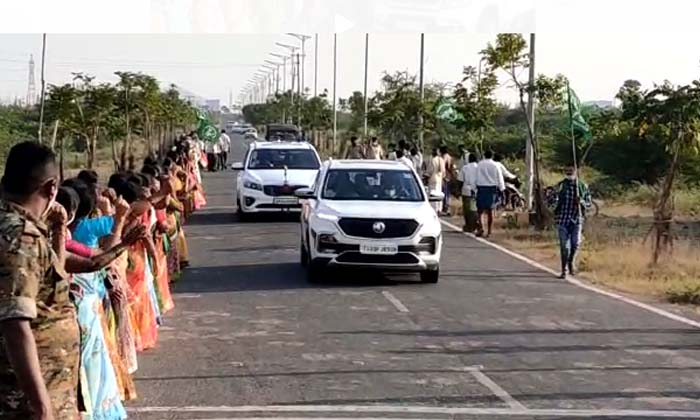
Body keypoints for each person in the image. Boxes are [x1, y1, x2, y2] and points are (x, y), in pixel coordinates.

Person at [0, 142, 80, 420]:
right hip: (26, 399)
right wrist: (42, 406)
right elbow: (15, 324)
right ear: (51, 188)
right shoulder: (20, 237)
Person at [550, 166, 592, 279]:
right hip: (562, 219)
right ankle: (564, 269)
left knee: (575, 244)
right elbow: (550, 202)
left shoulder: (582, 187)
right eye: (567, 171)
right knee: (564, 246)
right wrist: (556, 200)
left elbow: (589, 204)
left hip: (577, 220)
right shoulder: (560, 186)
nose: (569, 173)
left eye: (571, 171)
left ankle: (571, 262)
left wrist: (581, 201)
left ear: (575, 172)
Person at [475, 150, 505, 237]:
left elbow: (476, 176)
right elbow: (500, 177)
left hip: (481, 188)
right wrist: (502, 189)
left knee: (480, 210)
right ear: (492, 156)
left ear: (484, 155)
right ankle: (489, 231)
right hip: (491, 189)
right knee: (490, 210)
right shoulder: (495, 165)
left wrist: (474, 188)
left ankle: (481, 227)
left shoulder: (480, 164)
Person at [458, 153, 480, 233]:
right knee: (475, 209)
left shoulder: (465, 168)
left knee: (467, 210)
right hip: (476, 190)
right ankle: (474, 224)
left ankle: (468, 225)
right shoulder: (479, 168)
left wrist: (458, 191)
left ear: (469, 159)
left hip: (466, 190)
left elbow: (460, 180)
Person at [426, 148, 445, 213]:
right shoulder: (441, 160)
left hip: (433, 179)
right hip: (439, 179)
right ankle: (439, 208)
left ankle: (434, 209)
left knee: (433, 194)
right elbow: (443, 171)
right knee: (439, 194)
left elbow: (430, 170)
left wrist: (426, 176)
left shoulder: (433, 160)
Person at [440, 145, 455, 216]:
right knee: (448, 193)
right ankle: (447, 207)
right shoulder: (450, 157)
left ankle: (445, 207)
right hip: (449, 176)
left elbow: (444, 167)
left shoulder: (443, 157)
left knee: (444, 192)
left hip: (444, 176)